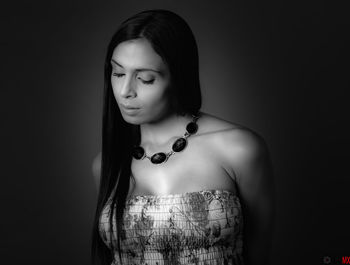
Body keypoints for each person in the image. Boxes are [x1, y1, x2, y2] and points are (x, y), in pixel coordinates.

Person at [91, 9, 275, 265]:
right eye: (118, 73)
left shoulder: (239, 149)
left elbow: (260, 254)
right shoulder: (106, 164)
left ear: (178, 76)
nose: (124, 91)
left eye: (145, 79)